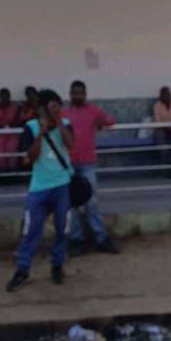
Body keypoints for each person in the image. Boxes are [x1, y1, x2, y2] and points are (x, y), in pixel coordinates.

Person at [6, 89, 74, 290]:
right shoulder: (31, 127)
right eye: (51, 108)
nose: (55, 111)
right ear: (42, 109)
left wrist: (58, 122)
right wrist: (42, 133)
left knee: (62, 227)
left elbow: (71, 144)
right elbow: (31, 157)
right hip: (39, 187)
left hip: (62, 184)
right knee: (31, 230)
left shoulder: (66, 124)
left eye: (58, 107)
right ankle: (23, 268)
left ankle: (57, 265)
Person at [64, 80, 119, 255]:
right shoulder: (64, 114)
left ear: (85, 94)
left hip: (87, 164)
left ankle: (101, 238)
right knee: (70, 203)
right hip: (68, 164)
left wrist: (100, 123)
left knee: (91, 201)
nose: (77, 96)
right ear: (70, 94)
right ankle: (76, 240)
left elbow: (111, 120)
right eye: (74, 93)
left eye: (80, 93)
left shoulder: (93, 111)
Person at [0, 88, 20, 174]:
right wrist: (0, 126)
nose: (5, 99)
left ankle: (11, 173)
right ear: (0, 97)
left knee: (11, 148)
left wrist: (9, 125)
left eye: (7, 97)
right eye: (3, 97)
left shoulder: (15, 108)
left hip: (12, 134)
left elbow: (17, 122)